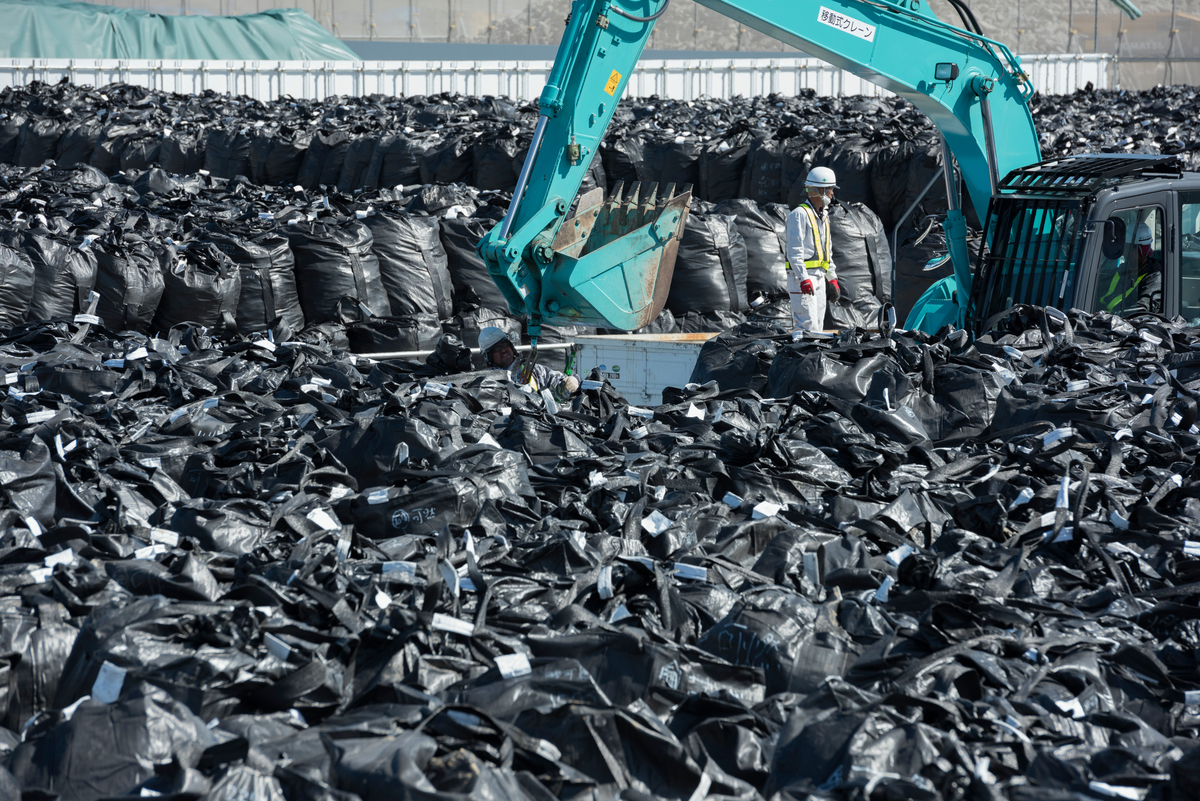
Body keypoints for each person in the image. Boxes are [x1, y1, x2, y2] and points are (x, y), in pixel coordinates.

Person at [786, 166, 843, 332]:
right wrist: (803, 278)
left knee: (817, 326)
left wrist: (832, 278)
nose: (832, 193)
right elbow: (794, 252)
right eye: (830, 189)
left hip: (818, 277)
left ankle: (812, 358)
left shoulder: (824, 215)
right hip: (802, 279)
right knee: (806, 326)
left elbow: (827, 252)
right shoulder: (799, 214)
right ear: (819, 190)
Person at [478, 326, 580, 396]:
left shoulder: (532, 369)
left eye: (504, 344)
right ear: (489, 356)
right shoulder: (487, 380)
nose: (503, 350)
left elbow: (554, 382)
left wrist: (568, 383)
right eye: (496, 349)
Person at [1100, 221, 1162, 314]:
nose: (1124, 252)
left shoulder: (1154, 278)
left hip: (1122, 324)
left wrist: (1113, 315)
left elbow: (1143, 307)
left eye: (1129, 249)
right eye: (1124, 247)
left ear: (1143, 251)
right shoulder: (1120, 271)